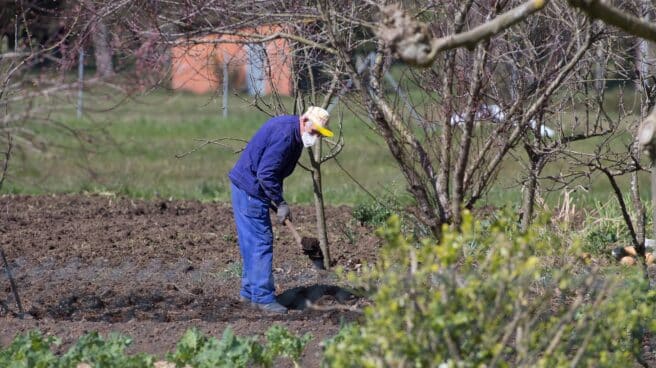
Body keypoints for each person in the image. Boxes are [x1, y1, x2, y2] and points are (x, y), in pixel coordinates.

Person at [228, 106, 333, 314]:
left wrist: (277, 201)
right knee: (260, 241)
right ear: (304, 121)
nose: (316, 136)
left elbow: (274, 172)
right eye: (315, 131)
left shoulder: (293, 134)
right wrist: (280, 202)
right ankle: (263, 298)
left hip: (246, 186)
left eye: (320, 133)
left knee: (253, 241)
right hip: (250, 190)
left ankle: (249, 293)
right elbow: (266, 174)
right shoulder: (286, 136)